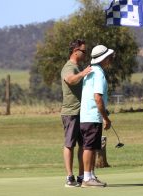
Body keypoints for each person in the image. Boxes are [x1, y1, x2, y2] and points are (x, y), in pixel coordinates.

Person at [80, 44, 114, 188]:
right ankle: (87, 178)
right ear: (104, 58)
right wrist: (106, 117)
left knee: (93, 146)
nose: (111, 59)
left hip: (88, 115)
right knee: (89, 147)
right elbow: (98, 98)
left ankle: (91, 175)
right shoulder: (99, 73)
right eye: (109, 57)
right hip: (92, 115)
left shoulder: (91, 70)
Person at [61, 39, 92, 187]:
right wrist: (83, 73)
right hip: (71, 112)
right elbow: (70, 80)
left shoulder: (78, 67)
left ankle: (81, 176)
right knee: (69, 144)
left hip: (82, 112)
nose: (85, 54)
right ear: (75, 51)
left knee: (83, 145)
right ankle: (69, 177)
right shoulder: (69, 67)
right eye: (84, 51)